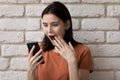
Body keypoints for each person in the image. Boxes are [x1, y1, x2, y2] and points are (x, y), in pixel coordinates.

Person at [27, 1, 93, 80]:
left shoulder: (83, 51)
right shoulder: (38, 50)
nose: (49, 30)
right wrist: (30, 70)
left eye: (54, 24)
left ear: (67, 25)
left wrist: (72, 62)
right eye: (45, 25)